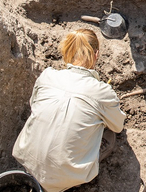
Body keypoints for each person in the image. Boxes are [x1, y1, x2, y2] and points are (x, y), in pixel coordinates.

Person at [13, 29, 126, 192]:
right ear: (96, 55)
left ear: (67, 51)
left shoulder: (47, 76)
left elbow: (34, 105)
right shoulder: (102, 92)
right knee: (109, 136)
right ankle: (71, 182)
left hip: (26, 162)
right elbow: (117, 126)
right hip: (65, 177)